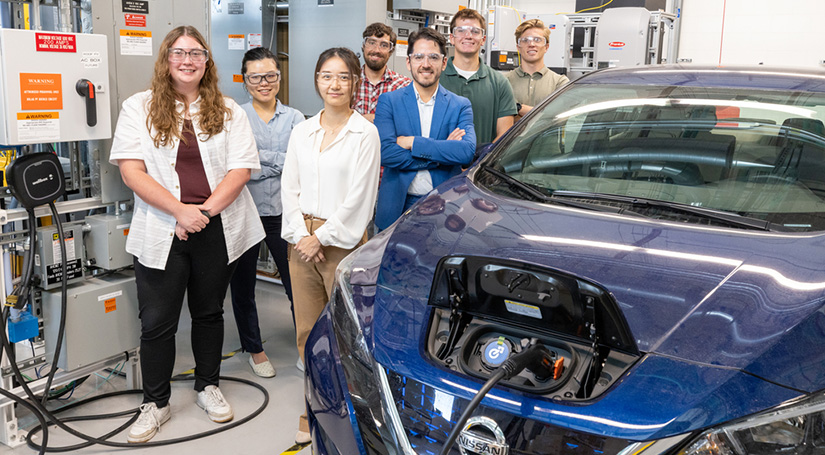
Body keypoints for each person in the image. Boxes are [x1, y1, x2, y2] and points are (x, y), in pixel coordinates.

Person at [109, 26, 264, 443]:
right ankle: (155, 404)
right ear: (166, 59)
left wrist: (202, 213)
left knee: (209, 312)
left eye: (196, 53)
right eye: (179, 52)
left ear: (207, 60)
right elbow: (130, 170)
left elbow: (240, 170)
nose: (188, 60)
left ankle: (207, 386)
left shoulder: (229, 109)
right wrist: (179, 211)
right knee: (157, 320)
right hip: (161, 227)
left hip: (215, 226)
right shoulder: (137, 107)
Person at [280, 47, 380, 445]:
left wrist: (319, 238)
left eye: (343, 76)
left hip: (341, 243)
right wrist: (299, 234)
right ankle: (313, 405)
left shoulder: (365, 133)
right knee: (307, 332)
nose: (334, 84)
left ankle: (348, 411)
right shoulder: (302, 130)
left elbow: (360, 199)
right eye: (326, 75)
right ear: (316, 80)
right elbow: (289, 187)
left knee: (343, 335)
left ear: (355, 81)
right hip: (300, 241)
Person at [228, 47, 304, 379]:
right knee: (243, 285)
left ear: (279, 77)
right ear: (245, 81)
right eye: (256, 77)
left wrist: (258, 161)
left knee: (297, 284)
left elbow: (299, 167)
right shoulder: (233, 116)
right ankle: (254, 350)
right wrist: (273, 162)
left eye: (270, 75)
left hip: (283, 213)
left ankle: (306, 345)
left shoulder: (296, 119)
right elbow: (236, 166)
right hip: (242, 210)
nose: (264, 82)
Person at [374, 27, 476, 230]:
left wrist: (412, 142)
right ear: (408, 61)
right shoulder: (389, 101)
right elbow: (385, 153)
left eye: (433, 57)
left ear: (444, 62)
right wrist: (441, 155)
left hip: (446, 206)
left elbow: (466, 153)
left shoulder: (460, 105)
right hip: (397, 207)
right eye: (419, 57)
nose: (426, 64)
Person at [440, 8, 518, 145]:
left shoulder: (500, 83)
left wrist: (479, 164)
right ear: (452, 38)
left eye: (475, 31)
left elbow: (504, 134)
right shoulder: (436, 78)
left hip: (484, 164)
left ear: (483, 40)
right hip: (440, 163)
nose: (468, 35)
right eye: (461, 30)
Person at [506, 19, 570, 118]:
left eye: (537, 40)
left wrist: (519, 108)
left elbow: (558, 117)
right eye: (525, 40)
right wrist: (544, 113)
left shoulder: (560, 83)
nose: (531, 44)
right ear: (518, 47)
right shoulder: (504, 81)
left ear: (546, 47)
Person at [354, 22, 411, 123]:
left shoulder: (404, 86)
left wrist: (373, 118)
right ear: (363, 45)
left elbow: (407, 122)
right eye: (371, 43)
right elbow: (336, 119)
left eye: (384, 45)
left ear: (391, 50)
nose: (376, 50)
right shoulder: (349, 82)